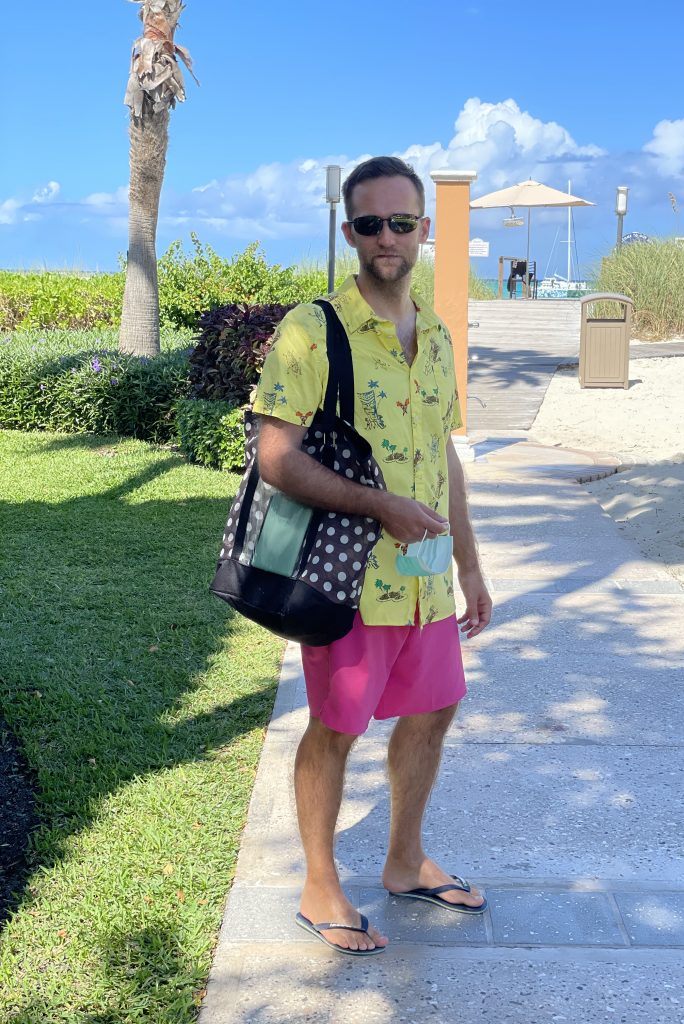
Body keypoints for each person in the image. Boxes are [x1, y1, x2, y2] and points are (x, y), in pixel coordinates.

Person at [252, 156, 492, 955]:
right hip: (349, 578)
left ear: (424, 229)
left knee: (433, 711)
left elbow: (445, 458)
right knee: (337, 724)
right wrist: (377, 504)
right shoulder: (311, 329)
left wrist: (470, 565)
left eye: (401, 223)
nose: (385, 238)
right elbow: (275, 457)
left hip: (425, 579)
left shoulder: (438, 335)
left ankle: (401, 861)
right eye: (368, 224)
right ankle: (320, 881)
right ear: (348, 230)